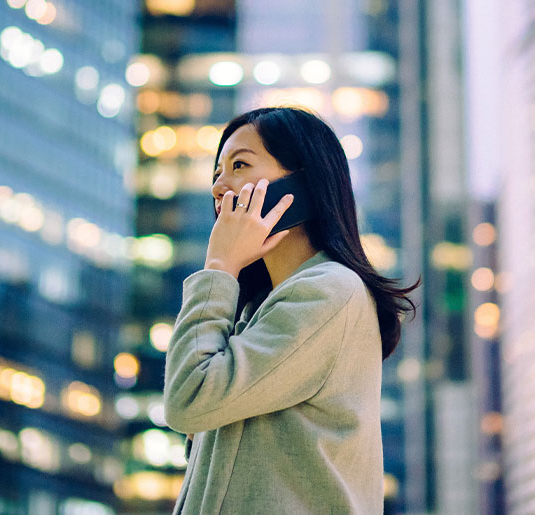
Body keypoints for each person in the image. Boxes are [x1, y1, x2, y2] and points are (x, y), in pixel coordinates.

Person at [162, 106, 418, 514]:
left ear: (301, 185)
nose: (219, 187)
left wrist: (219, 267)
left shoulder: (330, 293)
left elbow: (188, 399)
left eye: (239, 165)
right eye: (217, 173)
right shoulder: (254, 313)